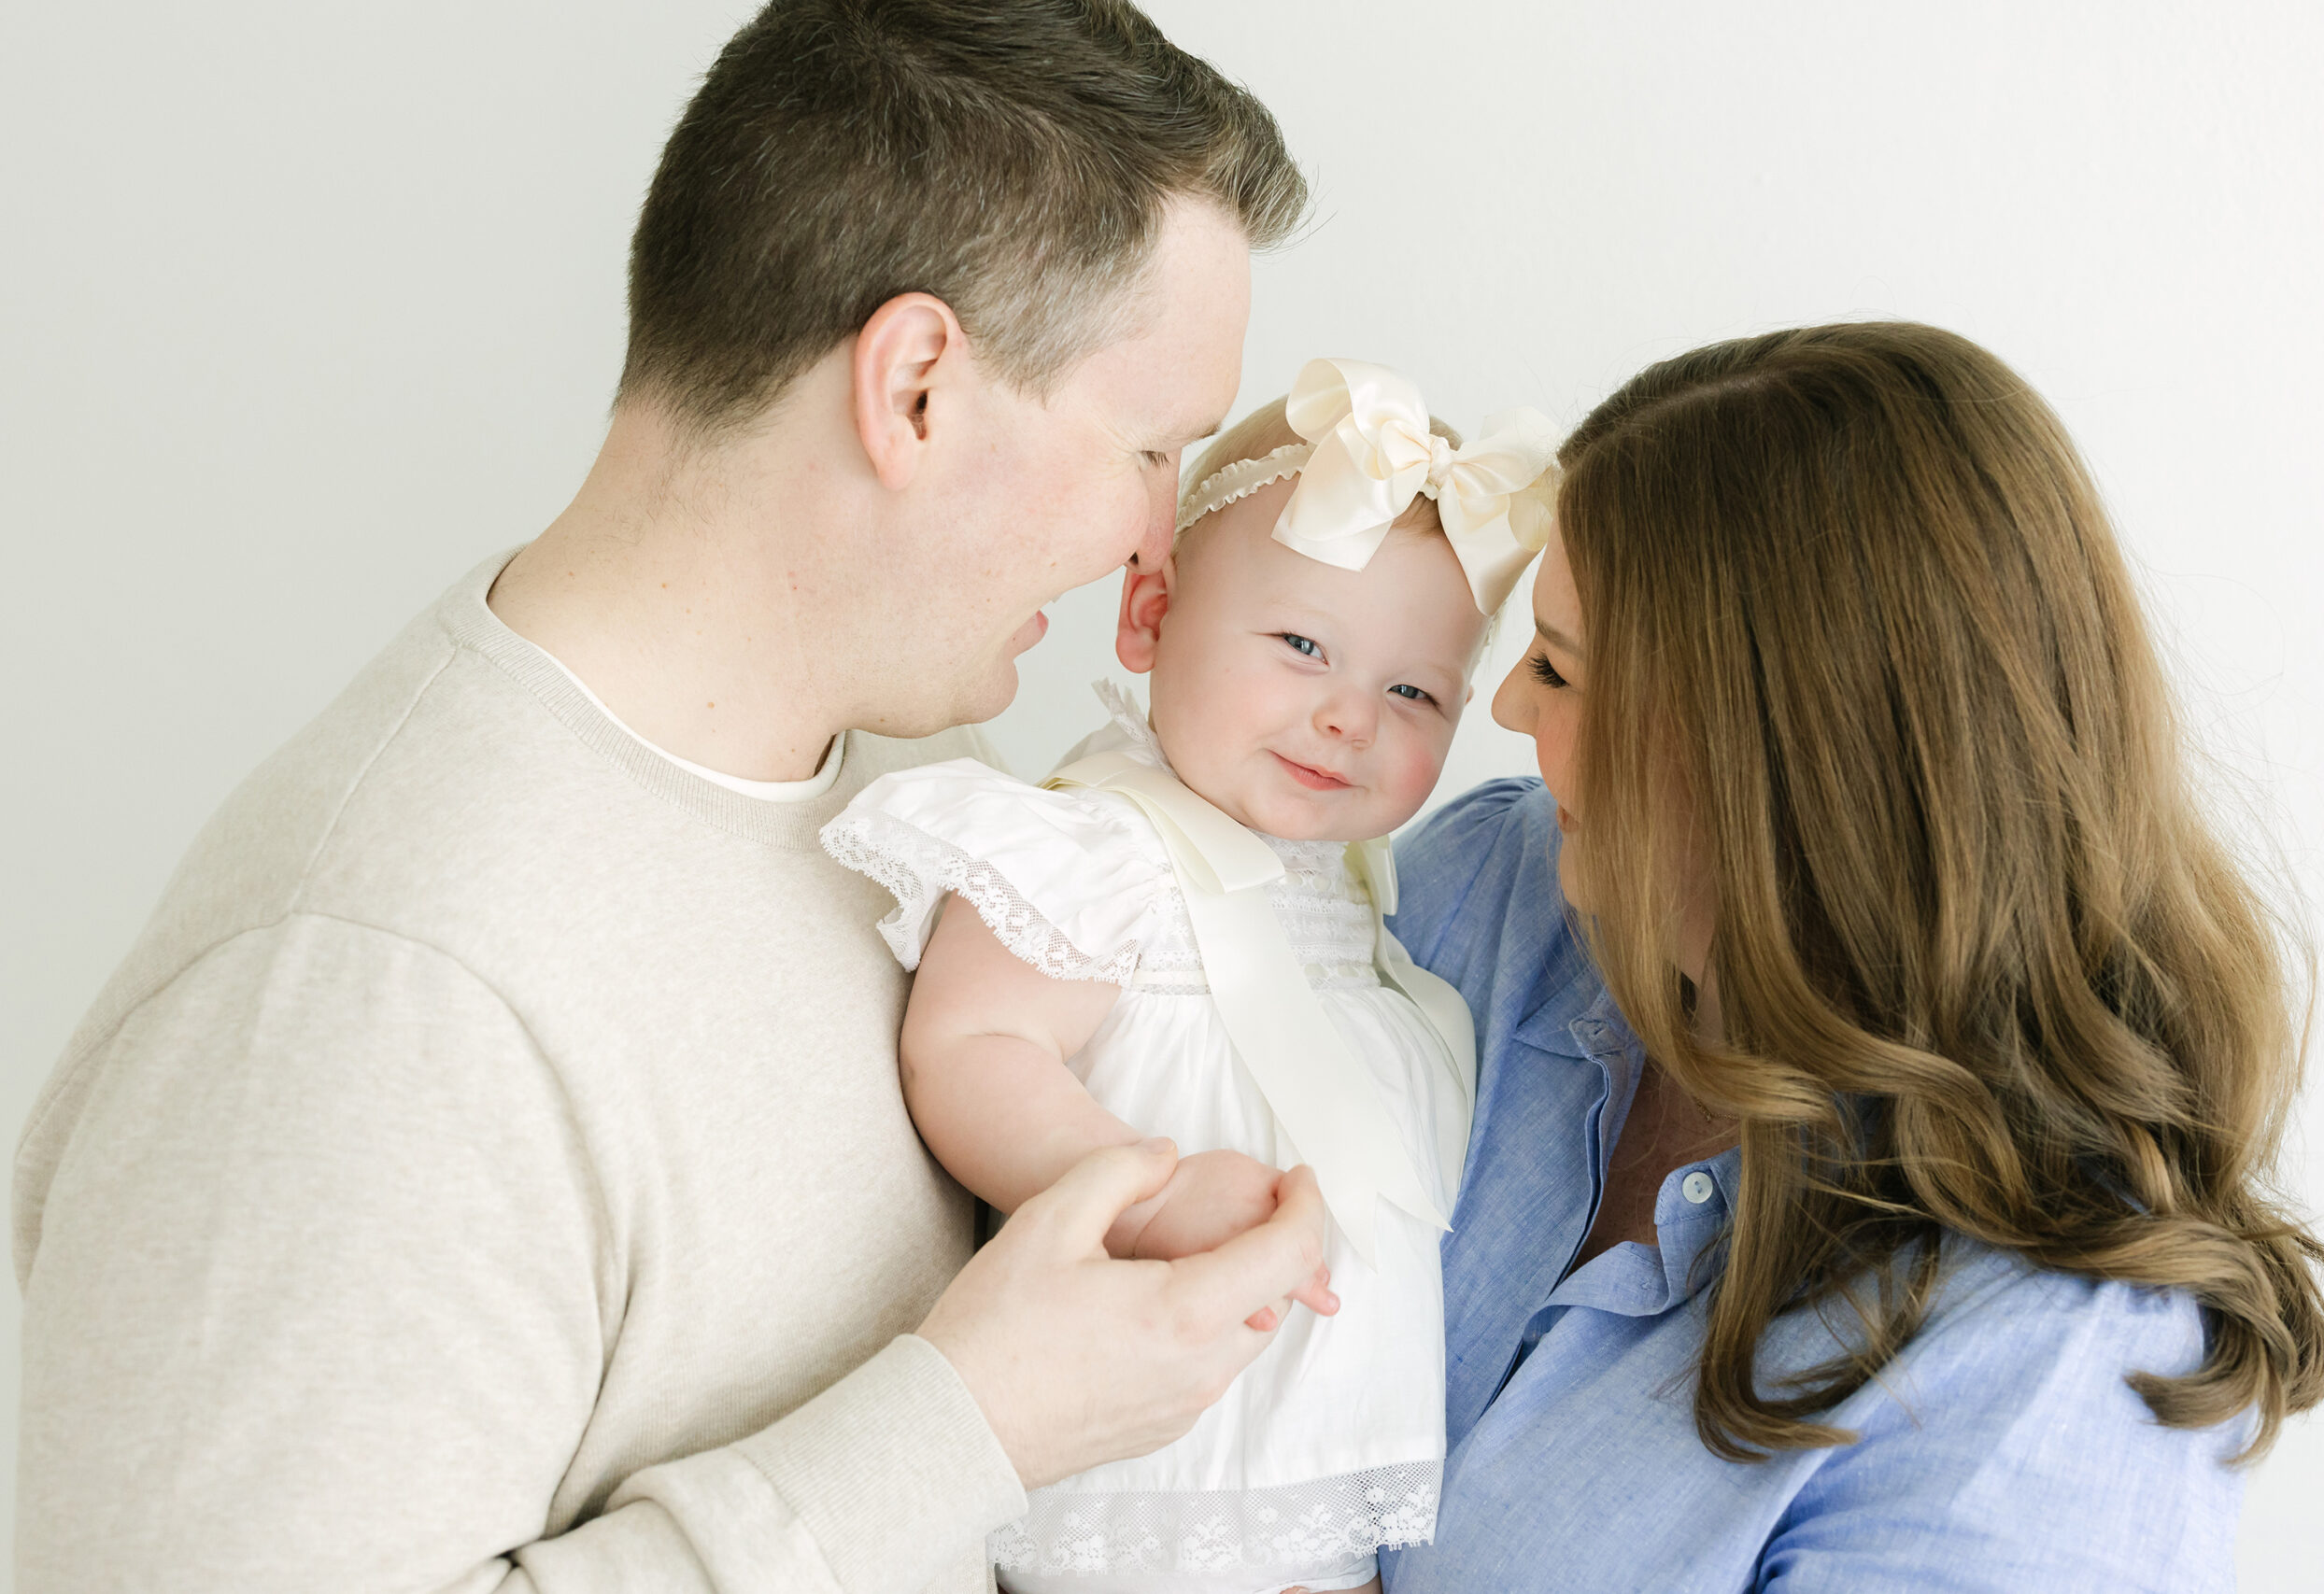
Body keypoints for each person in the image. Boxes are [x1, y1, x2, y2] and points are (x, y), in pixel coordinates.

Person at [11, 5, 1338, 1590]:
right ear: (914, 388)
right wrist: (971, 1424)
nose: (1157, 544)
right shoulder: (362, 994)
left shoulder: (922, 794)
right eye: (1149, 450)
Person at [1376, 322, 2324, 1592]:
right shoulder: (1486, 900)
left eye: (1559, 668)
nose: (1505, 709)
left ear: (1766, 766)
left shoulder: (2051, 1367)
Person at [820, 361, 1559, 1593]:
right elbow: (969, 1047)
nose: (1349, 718)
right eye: (1303, 645)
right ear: (1151, 614)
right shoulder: (1107, 848)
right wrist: (1139, 1196)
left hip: (1309, 1487)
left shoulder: (1362, 894)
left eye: (1413, 691)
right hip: (1150, 1456)